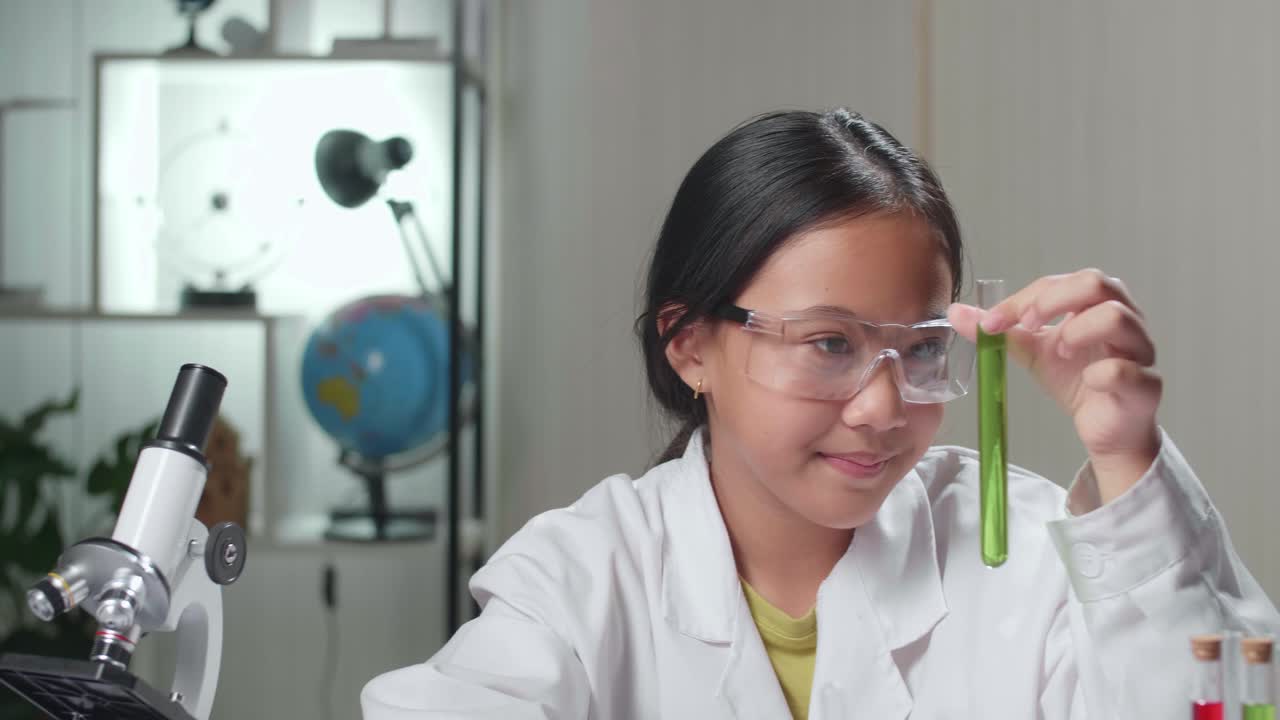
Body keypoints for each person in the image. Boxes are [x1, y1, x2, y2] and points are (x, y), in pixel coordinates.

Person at [360, 109, 1279, 719]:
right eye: (828, 343)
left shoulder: (1032, 553)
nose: (883, 407)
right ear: (689, 346)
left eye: (920, 347)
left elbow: (1220, 695)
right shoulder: (583, 578)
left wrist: (1125, 460)